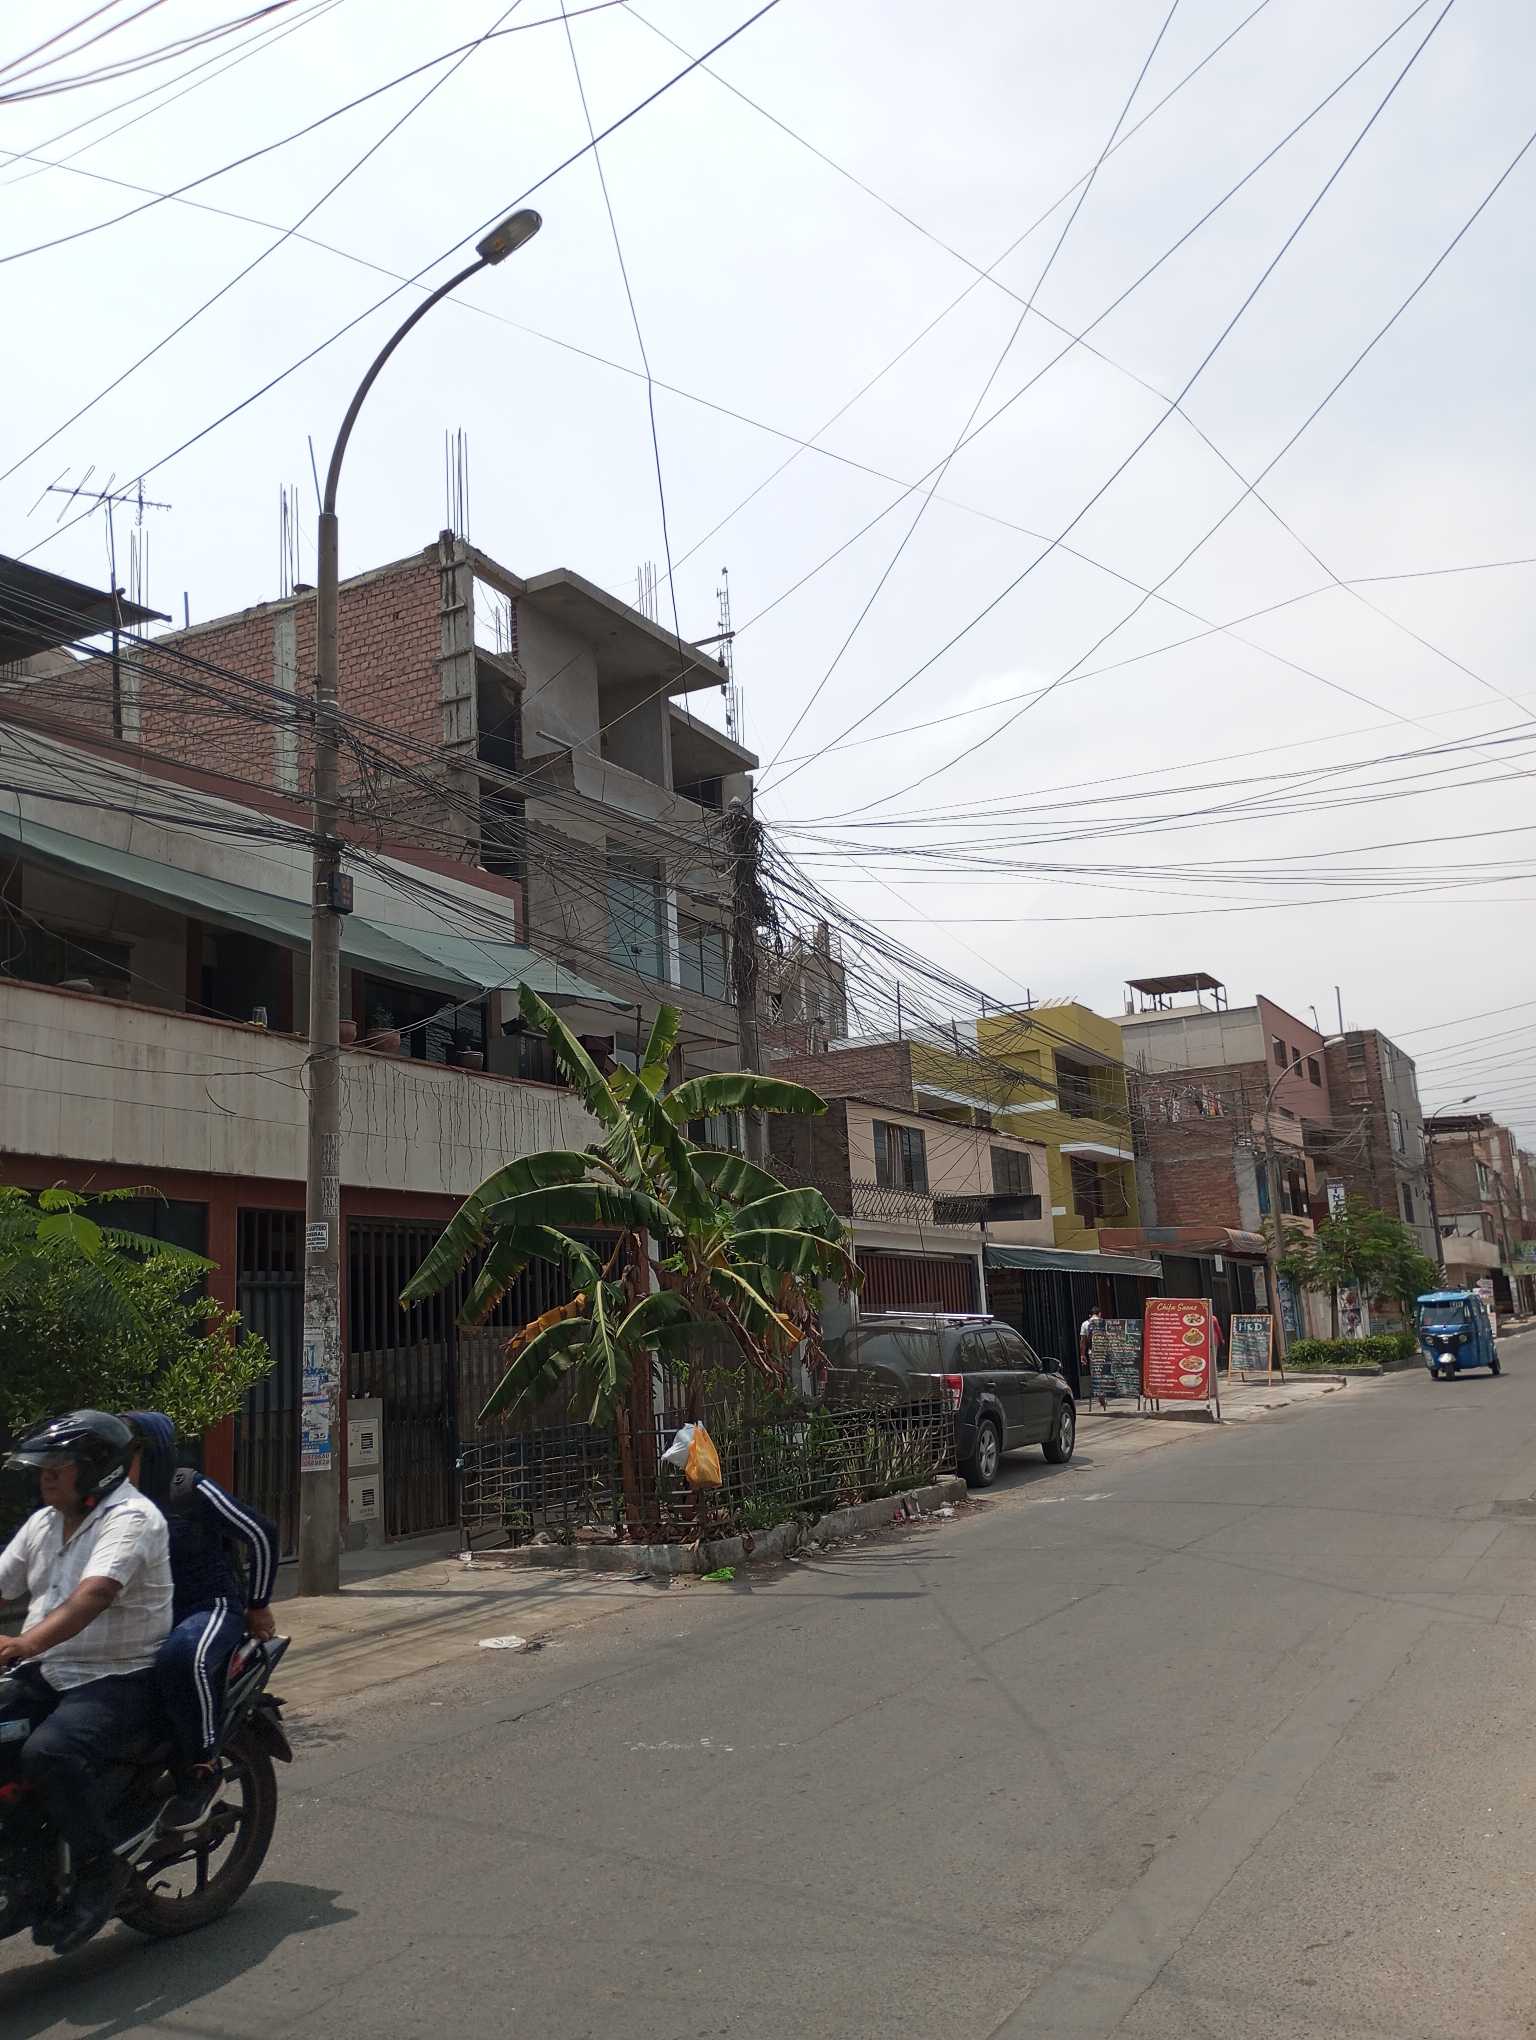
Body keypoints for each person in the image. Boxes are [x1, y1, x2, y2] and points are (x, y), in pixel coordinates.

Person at [0, 1409, 172, 1953]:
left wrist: (25, 1643)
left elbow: (95, 1593)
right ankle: (26, 1878)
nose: (46, 1475)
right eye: (43, 1466)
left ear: (96, 1468)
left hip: (118, 1676)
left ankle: (99, 1870)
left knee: (49, 1752)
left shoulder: (132, 1518)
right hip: (49, 1671)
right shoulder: (45, 1522)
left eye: (59, 1465)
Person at [124, 1414, 278, 1829]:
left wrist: (258, 1605)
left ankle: (202, 1769)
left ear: (153, 1454)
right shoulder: (112, 1500)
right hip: (147, 1616)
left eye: (129, 1453)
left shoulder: (188, 1488)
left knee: (182, 1657)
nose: (118, 1463)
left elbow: (261, 1533)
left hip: (207, 1608)